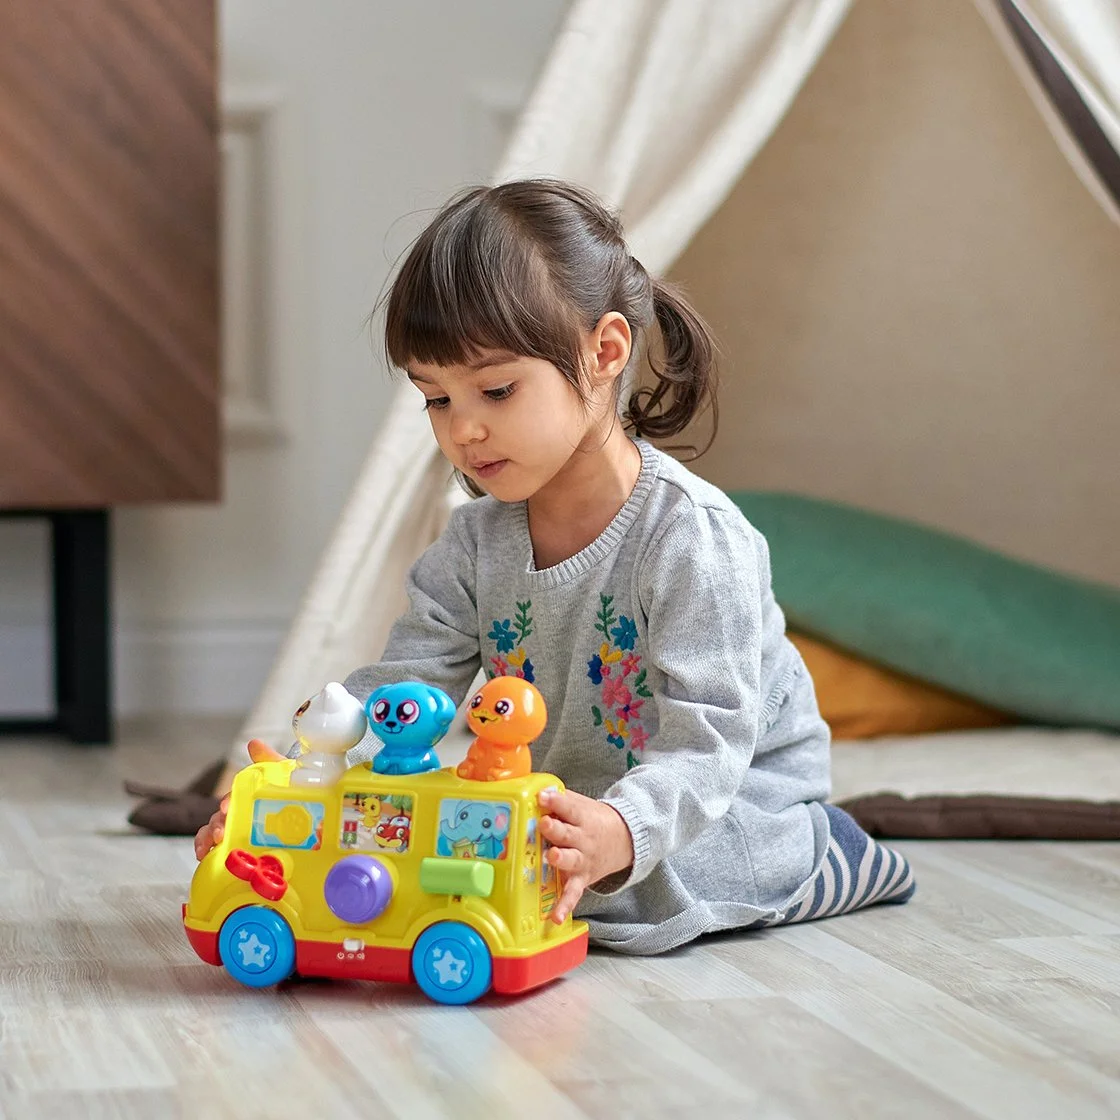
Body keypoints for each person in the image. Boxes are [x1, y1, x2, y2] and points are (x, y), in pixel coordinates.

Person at [195, 179, 915, 955]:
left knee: (639, 901)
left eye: (496, 390)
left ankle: (824, 850)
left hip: (727, 796)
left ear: (604, 352)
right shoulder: (472, 546)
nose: (464, 429)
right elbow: (402, 696)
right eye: (435, 399)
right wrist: (297, 784)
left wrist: (622, 828)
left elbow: (709, 743)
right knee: (433, 862)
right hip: (569, 807)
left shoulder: (693, 538)